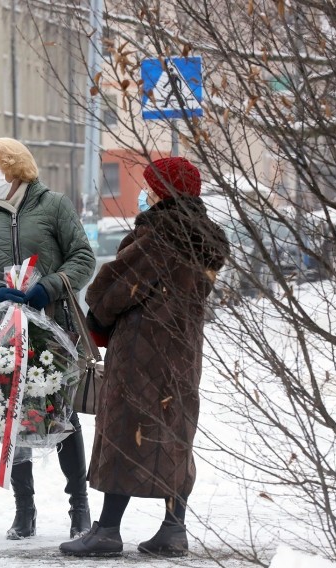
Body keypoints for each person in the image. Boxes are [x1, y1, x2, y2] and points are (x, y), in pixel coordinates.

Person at [61, 157, 229, 558]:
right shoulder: (202, 240)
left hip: (141, 350)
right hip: (183, 351)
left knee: (124, 431)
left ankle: (107, 530)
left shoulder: (158, 236)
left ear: (163, 192)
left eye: (152, 186)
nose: (146, 194)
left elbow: (113, 290)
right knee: (174, 431)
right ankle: (173, 530)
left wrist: (97, 314)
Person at [0, 137, 97, 540]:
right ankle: (24, 510)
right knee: (9, 414)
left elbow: (83, 257)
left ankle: (79, 507)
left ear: (16, 169)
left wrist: (49, 286)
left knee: (61, 416)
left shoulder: (53, 205)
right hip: (1, 330)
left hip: (52, 328)